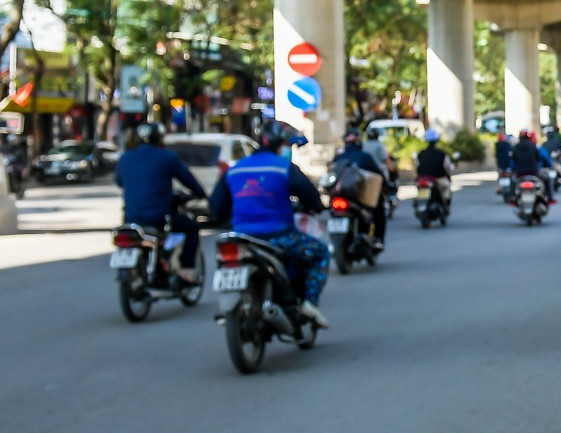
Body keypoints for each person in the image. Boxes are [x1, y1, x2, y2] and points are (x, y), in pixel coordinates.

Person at [208, 121, 331, 328]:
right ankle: (310, 303)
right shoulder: (283, 167)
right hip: (279, 236)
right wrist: (317, 206)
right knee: (320, 253)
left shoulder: (235, 170)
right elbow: (311, 197)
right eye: (286, 144)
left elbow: (216, 209)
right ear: (276, 143)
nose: (288, 149)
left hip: (243, 238)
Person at [113, 120, 206, 283]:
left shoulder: (126, 158)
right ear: (160, 139)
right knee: (192, 228)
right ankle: (186, 269)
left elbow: (120, 181)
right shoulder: (167, 158)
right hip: (158, 218)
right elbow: (189, 180)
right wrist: (202, 195)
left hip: (130, 218)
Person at [329, 129, 389, 247]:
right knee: (379, 209)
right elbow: (379, 176)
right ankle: (378, 239)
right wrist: (386, 186)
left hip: (340, 196)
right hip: (357, 197)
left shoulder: (338, 158)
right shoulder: (365, 157)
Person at [414, 129, 455, 206]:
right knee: (446, 187)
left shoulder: (421, 154)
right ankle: (444, 203)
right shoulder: (441, 154)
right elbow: (448, 167)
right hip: (437, 179)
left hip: (423, 178)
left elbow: (416, 166)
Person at [508, 130, 551, 200]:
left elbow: (513, 161)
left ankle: (512, 197)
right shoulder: (533, 146)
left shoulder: (515, 147)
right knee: (546, 178)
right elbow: (538, 158)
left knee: (512, 181)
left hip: (520, 174)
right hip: (534, 172)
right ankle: (549, 197)